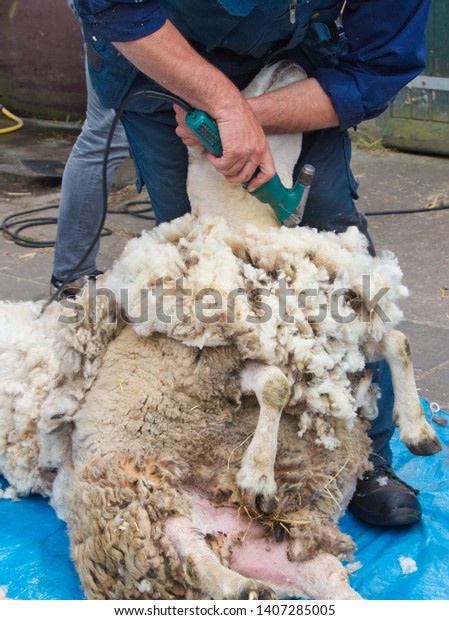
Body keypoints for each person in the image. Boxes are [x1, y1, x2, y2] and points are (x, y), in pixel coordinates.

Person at [67, 0, 432, 526]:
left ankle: (366, 457)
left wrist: (245, 114)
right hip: (161, 63)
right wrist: (217, 105)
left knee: (330, 255)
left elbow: (378, 65)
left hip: (295, 68)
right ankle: (229, 454)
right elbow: (117, 7)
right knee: (203, 282)